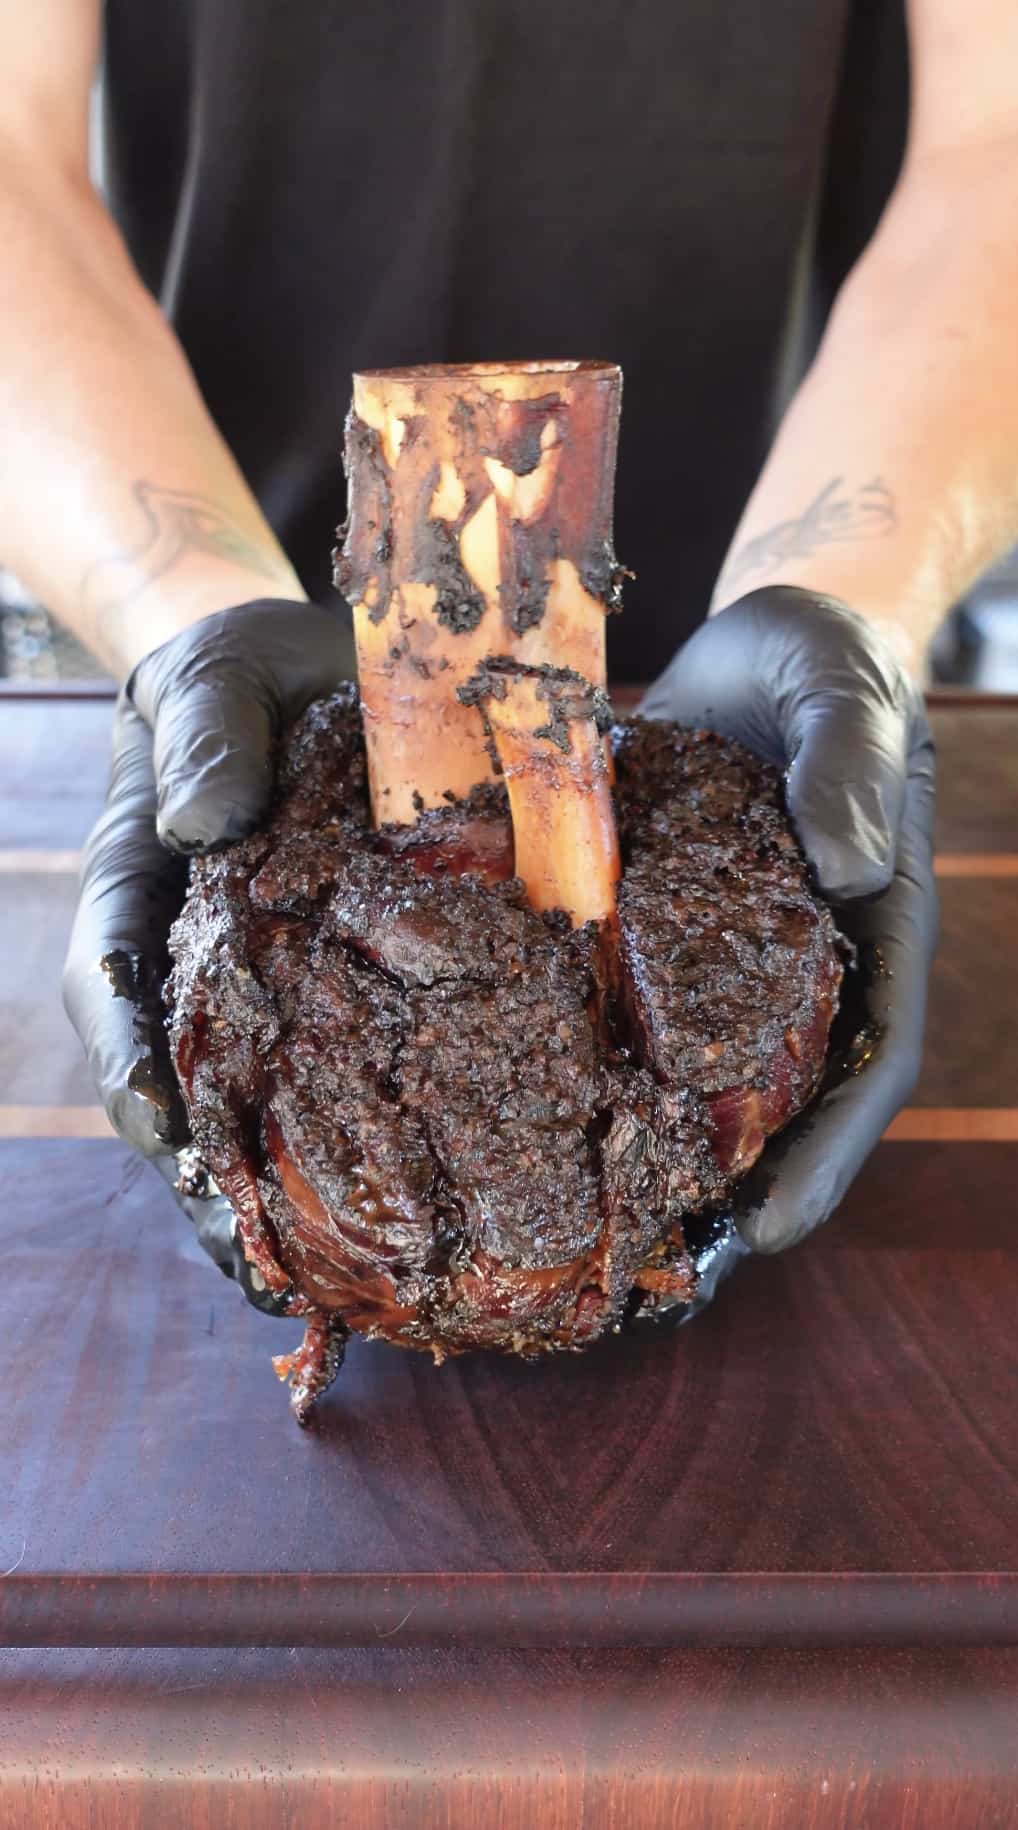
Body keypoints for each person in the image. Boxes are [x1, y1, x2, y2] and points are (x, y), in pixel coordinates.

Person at [16, 0, 1009, 1311]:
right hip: (233, 603)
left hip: (777, 604)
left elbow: (994, 137)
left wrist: (849, 601)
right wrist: (179, 612)